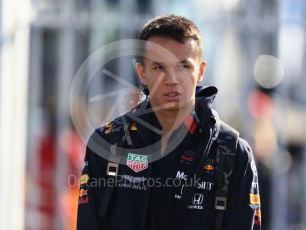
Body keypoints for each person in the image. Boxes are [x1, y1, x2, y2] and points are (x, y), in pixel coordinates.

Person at [77, 14, 261, 230]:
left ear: (200, 71)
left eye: (183, 66)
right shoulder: (109, 142)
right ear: (142, 73)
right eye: (159, 67)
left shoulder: (232, 151)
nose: (172, 79)